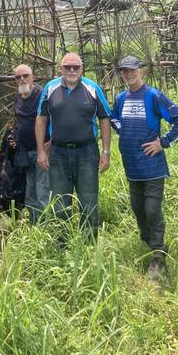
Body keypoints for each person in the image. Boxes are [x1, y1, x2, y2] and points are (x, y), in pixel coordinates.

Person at [110, 55, 178, 280]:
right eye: (124, 71)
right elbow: (113, 118)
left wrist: (162, 143)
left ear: (141, 71)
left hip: (152, 167)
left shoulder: (153, 96)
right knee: (137, 208)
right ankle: (150, 242)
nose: (129, 74)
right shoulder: (121, 98)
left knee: (152, 209)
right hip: (131, 166)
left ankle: (158, 254)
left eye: (132, 70)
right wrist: (123, 131)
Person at [35, 53, 111, 239]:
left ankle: (89, 243)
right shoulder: (50, 88)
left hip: (87, 152)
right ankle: (63, 243)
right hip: (58, 152)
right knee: (60, 200)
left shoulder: (92, 88)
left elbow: (105, 118)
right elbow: (40, 119)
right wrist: (41, 152)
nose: (71, 70)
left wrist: (106, 151)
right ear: (60, 68)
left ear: (81, 68)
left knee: (88, 199)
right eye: (67, 67)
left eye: (75, 67)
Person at [12, 64, 50, 224]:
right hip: (25, 153)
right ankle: (35, 225)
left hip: (42, 151)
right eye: (18, 77)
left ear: (32, 77)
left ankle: (47, 228)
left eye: (25, 75)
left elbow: (53, 120)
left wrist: (48, 145)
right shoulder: (18, 97)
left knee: (42, 190)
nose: (22, 79)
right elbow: (18, 122)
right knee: (30, 191)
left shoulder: (42, 95)